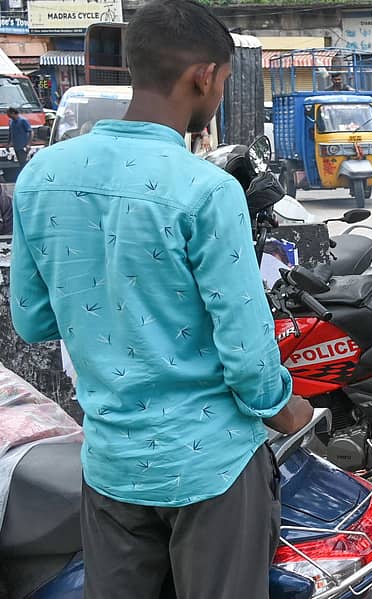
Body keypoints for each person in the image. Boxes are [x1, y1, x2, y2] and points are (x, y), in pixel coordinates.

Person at [9, 1, 313, 597]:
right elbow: (249, 358)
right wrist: (289, 410)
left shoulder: (42, 176)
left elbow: (34, 316)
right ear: (203, 76)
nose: (219, 95)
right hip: (212, 468)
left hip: (111, 462)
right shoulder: (205, 189)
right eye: (223, 82)